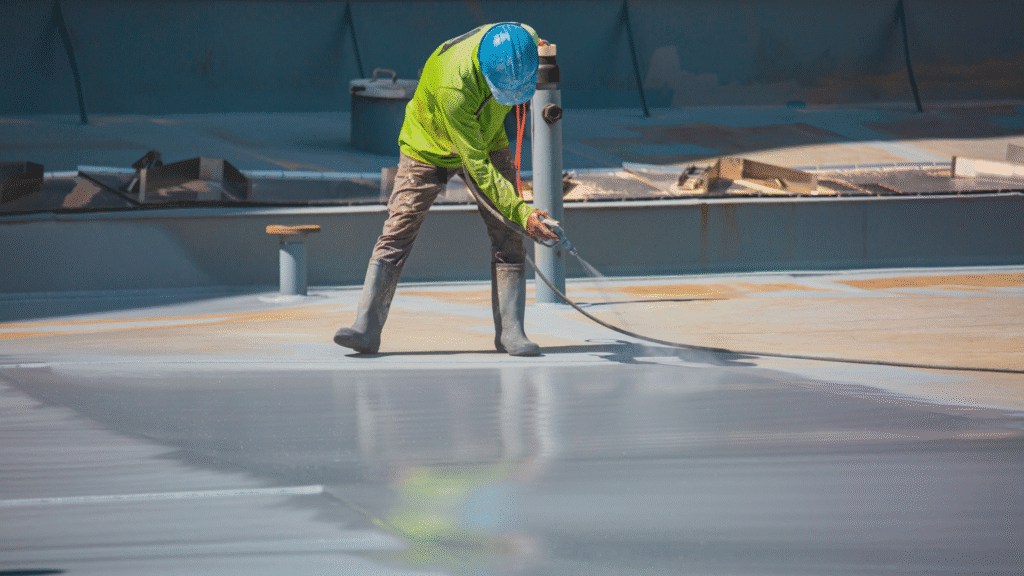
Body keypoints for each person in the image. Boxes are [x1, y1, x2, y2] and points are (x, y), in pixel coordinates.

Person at [334, 22, 559, 356]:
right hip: (427, 145)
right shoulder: (454, 89)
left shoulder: (521, 37)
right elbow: (478, 166)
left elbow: (532, 40)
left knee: (508, 234)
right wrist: (523, 212)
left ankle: (511, 332)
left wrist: (518, 218)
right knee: (398, 229)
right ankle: (366, 328)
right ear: (484, 72)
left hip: (486, 136)